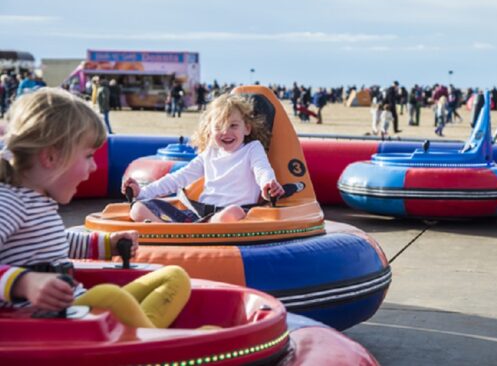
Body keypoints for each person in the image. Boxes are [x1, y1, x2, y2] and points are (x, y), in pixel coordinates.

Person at [0, 88, 191, 328]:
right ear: (50, 158)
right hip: (41, 320)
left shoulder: (39, 201)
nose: (93, 167)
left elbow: (56, 242)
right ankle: (150, 344)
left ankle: (142, 335)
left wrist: (107, 243)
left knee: (174, 277)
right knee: (109, 296)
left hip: (75, 311)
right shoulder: (9, 202)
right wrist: (24, 283)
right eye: (89, 156)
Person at [123, 94, 285, 224]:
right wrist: (142, 193)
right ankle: (168, 230)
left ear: (247, 128)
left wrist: (267, 184)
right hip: (198, 214)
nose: (225, 132)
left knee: (233, 212)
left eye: (233, 126)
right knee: (138, 209)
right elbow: (178, 178)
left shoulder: (252, 149)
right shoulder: (210, 153)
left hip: (232, 212)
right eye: (218, 127)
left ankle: (202, 229)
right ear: (210, 131)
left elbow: (262, 169)